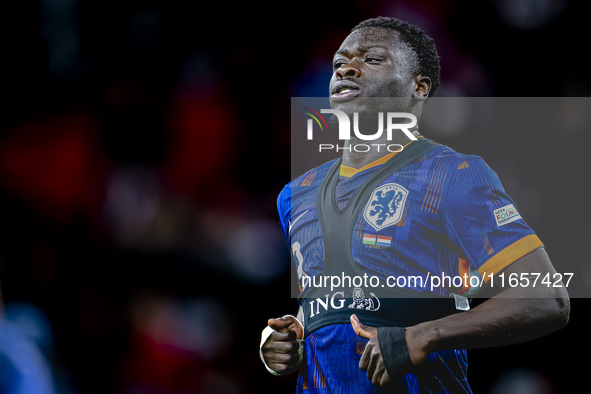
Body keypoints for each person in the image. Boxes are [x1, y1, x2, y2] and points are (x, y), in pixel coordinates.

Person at [260, 16, 570, 393]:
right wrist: (289, 336)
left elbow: (546, 298)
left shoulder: (453, 174)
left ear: (418, 87)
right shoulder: (295, 194)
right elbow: (336, 298)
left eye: (372, 59)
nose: (347, 68)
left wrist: (425, 335)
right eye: (339, 62)